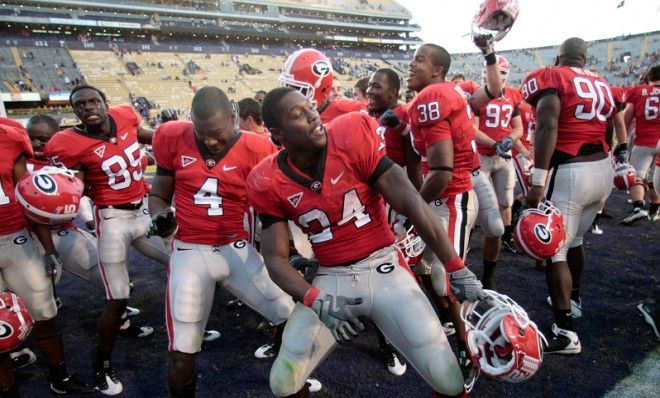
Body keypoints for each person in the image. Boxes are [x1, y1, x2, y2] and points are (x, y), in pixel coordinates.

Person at [247, 87, 485, 397]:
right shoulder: (266, 180)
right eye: (298, 115)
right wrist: (314, 299)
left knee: (447, 379)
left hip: (385, 265)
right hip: (332, 278)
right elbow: (275, 259)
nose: (312, 116)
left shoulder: (351, 133)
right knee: (282, 382)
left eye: (310, 107)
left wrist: (455, 265)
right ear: (277, 133)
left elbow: (412, 201)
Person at [148, 86, 300, 397]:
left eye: (218, 133)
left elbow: (277, 207)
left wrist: (289, 250)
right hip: (190, 252)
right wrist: (160, 216)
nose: (210, 141)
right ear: (191, 121)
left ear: (234, 118)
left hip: (236, 249)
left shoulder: (258, 147)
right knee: (182, 351)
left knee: (292, 318)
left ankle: (293, 379)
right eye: (202, 133)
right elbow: (159, 196)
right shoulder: (171, 136)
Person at [44, 85, 170, 395]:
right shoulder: (66, 144)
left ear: (105, 103)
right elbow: (73, 186)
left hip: (143, 210)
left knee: (184, 262)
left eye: (93, 101)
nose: (87, 107)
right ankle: (101, 366)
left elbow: (152, 136)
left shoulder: (125, 117)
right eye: (80, 104)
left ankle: (189, 327)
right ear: (74, 111)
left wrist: (175, 140)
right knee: (117, 297)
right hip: (112, 220)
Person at [405, 39, 503, 391]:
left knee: (446, 281)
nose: (412, 64)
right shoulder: (435, 96)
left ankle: (469, 351)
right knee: (417, 266)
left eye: (420, 60)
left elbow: (442, 172)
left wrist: (409, 207)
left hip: (450, 200)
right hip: (439, 196)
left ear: (438, 71)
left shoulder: (435, 97)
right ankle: (452, 319)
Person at [522, 37, 617, 354]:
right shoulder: (601, 82)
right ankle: (573, 299)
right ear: (584, 58)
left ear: (560, 55)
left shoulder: (553, 75)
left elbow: (547, 125)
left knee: (554, 252)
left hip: (570, 170)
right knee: (575, 241)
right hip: (602, 168)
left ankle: (565, 332)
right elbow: (608, 130)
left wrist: (538, 180)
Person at [26, 114, 152, 338]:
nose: (36, 145)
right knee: (30, 297)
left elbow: (85, 192)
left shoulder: (71, 154)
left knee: (112, 282)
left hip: (62, 230)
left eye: (43, 139)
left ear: (57, 139)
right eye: (31, 138)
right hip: (26, 235)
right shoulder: (19, 163)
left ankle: (120, 320)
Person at [0, 118, 95, 396]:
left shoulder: (8, 136)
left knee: (45, 313)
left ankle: (59, 378)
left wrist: (49, 251)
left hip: (17, 239)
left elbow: (31, 197)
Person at [472, 55, 524, 287]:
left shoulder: (513, 94)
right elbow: (471, 130)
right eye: (496, 73)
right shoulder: (477, 93)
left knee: (506, 202)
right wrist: (494, 143)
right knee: (479, 206)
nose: (499, 78)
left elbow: (518, 127)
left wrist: (509, 140)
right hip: (482, 157)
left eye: (503, 73)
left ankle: (505, 238)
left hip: (503, 158)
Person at [279, 49, 366, 124]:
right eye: (288, 86)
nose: (290, 93)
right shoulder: (298, 116)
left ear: (320, 88)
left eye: (295, 87)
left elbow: (377, 114)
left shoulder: (343, 108)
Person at [621, 65, 660, 224]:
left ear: (649, 78)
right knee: (655, 177)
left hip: (644, 139)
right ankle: (655, 209)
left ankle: (638, 208)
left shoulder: (638, 91)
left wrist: (622, 141)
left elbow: (626, 117)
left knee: (638, 175)